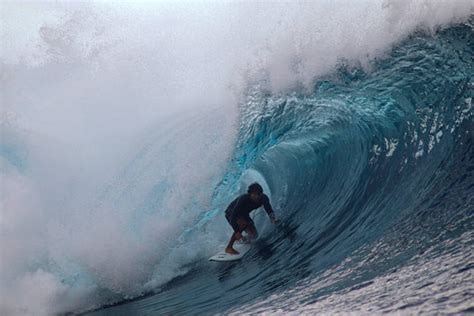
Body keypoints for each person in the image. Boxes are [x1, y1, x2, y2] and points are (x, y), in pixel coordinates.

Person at [224, 182, 278, 255]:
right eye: (255, 194)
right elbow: (233, 215)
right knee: (242, 225)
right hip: (231, 213)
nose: (257, 196)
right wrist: (237, 231)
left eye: (259, 194)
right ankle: (229, 247)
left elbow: (269, 209)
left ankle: (243, 239)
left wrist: (273, 219)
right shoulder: (244, 199)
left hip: (244, 214)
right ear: (250, 194)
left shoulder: (264, 198)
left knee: (254, 235)